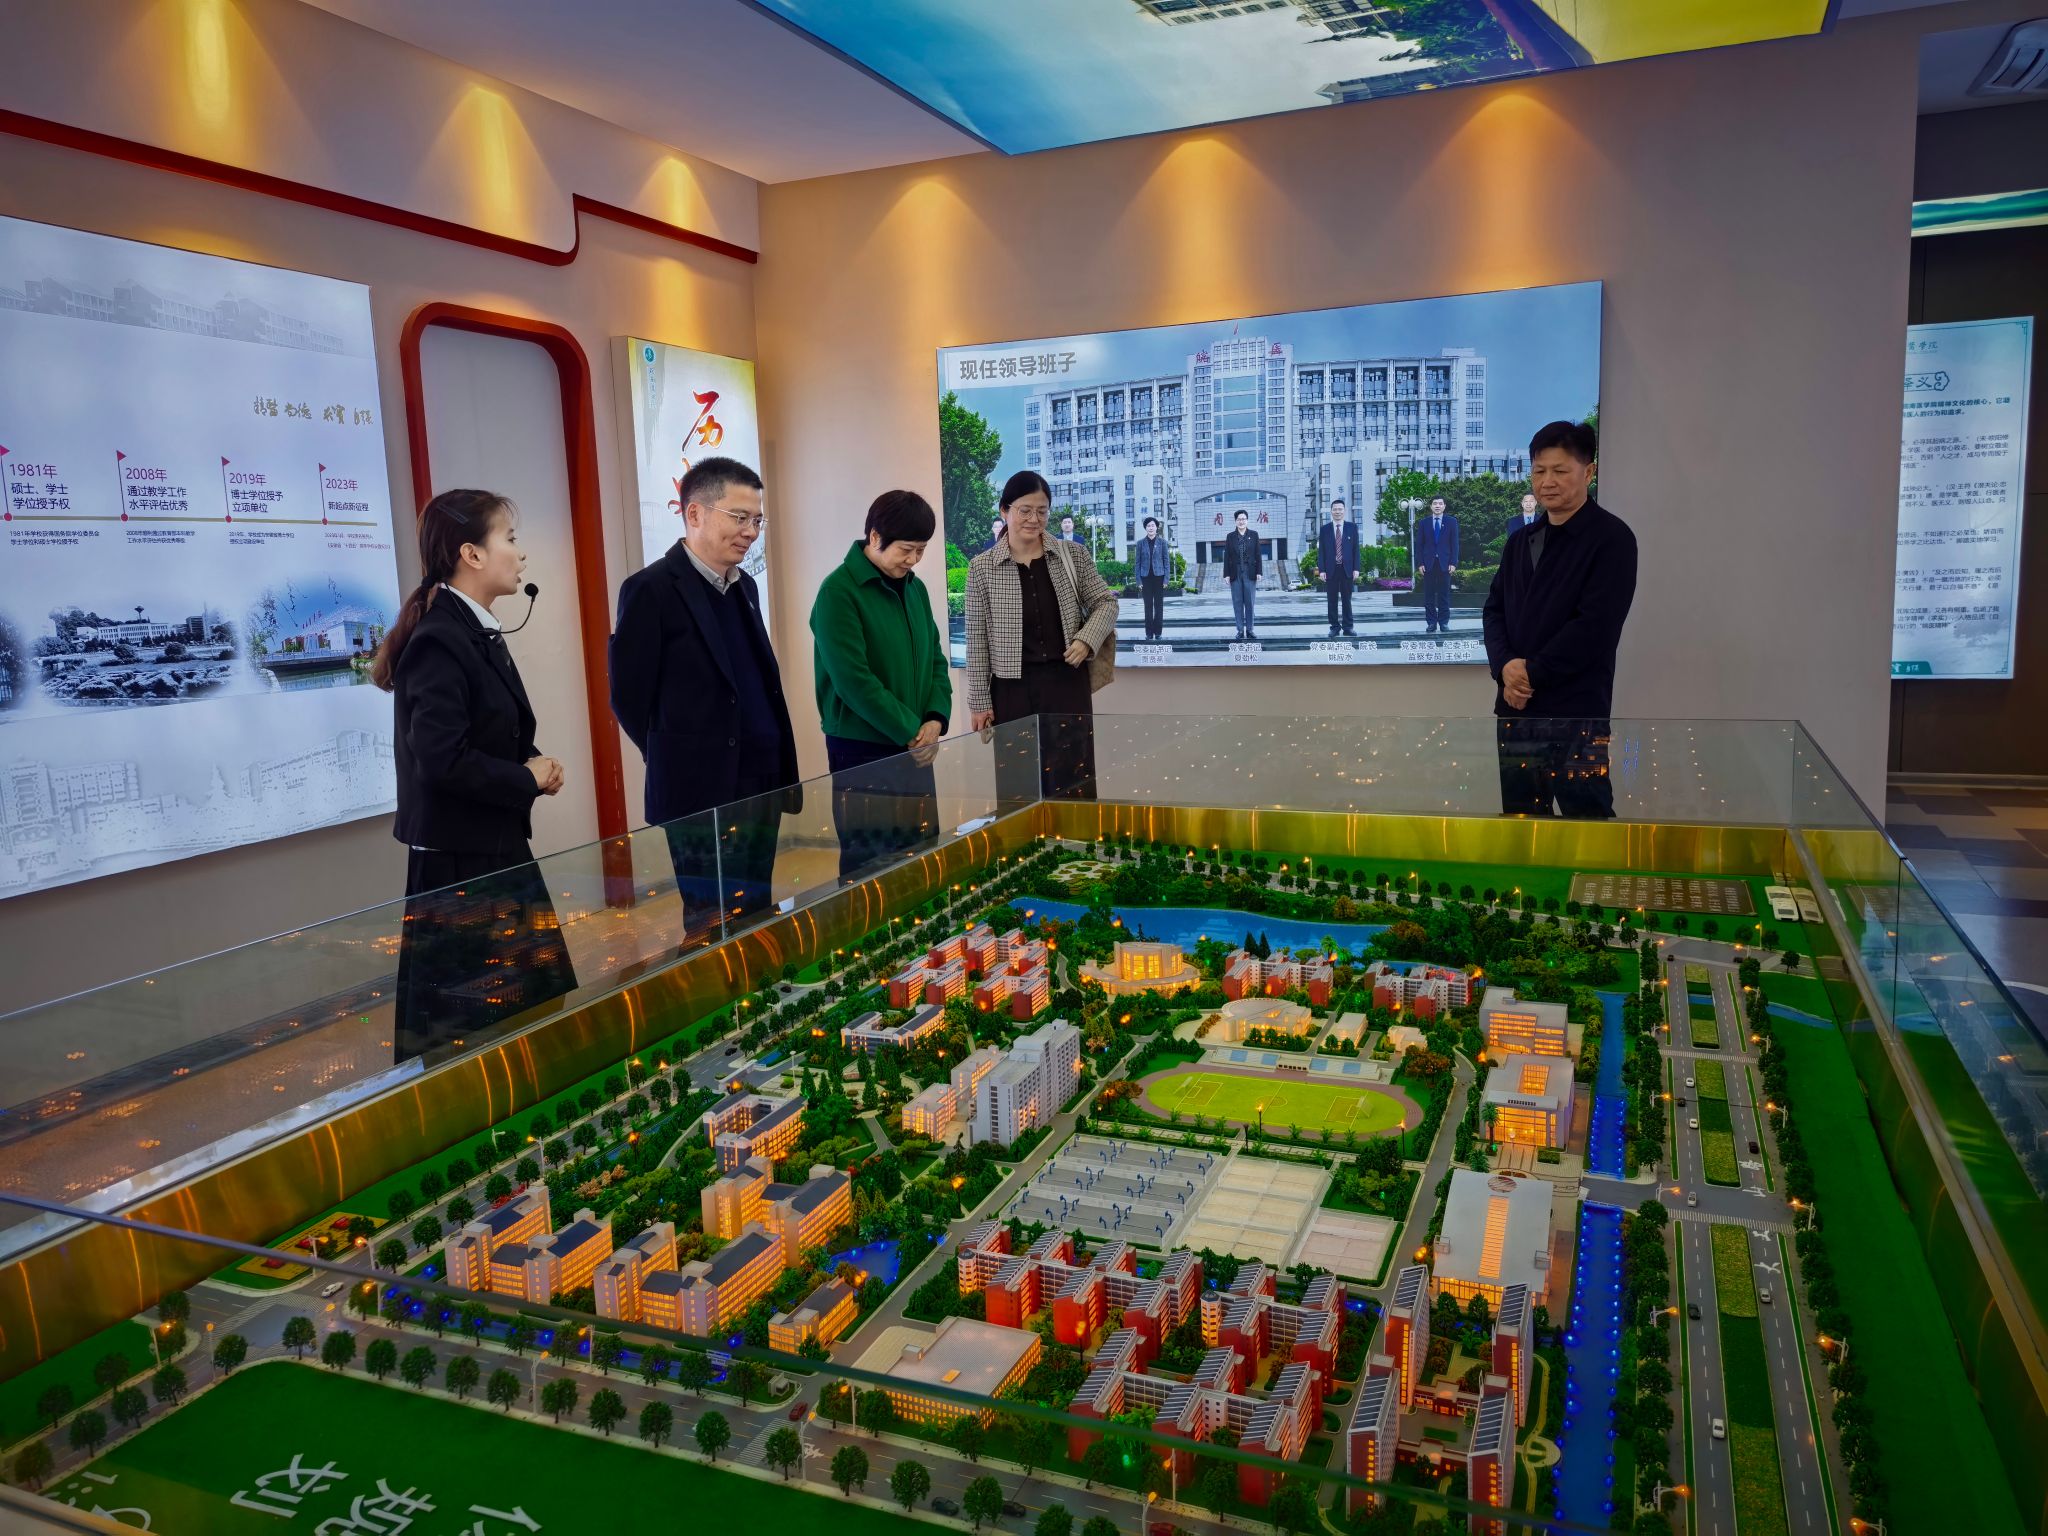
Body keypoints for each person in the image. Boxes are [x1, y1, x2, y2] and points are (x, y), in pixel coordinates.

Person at [374, 488, 574, 1064]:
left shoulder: (471, 629)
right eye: (509, 539)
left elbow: (486, 730)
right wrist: (524, 778)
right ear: (472, 554)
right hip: (460, 863)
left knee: (526, 1008)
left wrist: (533, 764)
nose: (521, 553)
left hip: (491, 847)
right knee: (470, 1029)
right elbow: (442, 759)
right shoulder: (441, 637)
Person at [610, 456, 801, 932]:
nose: (750, 531)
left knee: (756, 908)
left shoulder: (744, 586)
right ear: (694, 513)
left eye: (757, 520)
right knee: (711, 919)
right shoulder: (650, 590)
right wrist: (675, 753)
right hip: (700, 789)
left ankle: (759, 977)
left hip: (760, 780)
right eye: (739, 517)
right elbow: (628, 697)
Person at [1482, 420, 1638, 818]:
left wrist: (1529, 674)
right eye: (1539, 471)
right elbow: (1494, 610)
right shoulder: (1520, 541)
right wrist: (1505, 666)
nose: (1547, 482)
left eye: (1559, 470)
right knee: (1521, 821)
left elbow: (1595, 628)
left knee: (1586, 819)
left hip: (1577, 713)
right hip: (1515, 711)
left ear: (1589, 472)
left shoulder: (1612, 538)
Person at [810, 489, 951, 882]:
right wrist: (912, 732)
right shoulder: (838, 592)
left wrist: (935, 720)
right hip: (862, 750)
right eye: (906, 549)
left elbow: (935, 660)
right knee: (870, 863)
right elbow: (853, 681)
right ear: (875, 537)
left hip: (916, 745)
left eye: (921, 550)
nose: (913, 560)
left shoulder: (915, 588)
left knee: (920, 852)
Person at [965, 470, 1118, 802]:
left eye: (1042, 511)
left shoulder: (1072, 555)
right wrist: (979, 702)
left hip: (1067, 684)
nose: (1034, 520)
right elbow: (976, 639)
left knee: (1073, 780)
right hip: (1011, 690)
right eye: (1025, 510)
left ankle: (1076, 835)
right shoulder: (982, 568)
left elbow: (1106, 603)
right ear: (1005, 510)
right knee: (1017, 785)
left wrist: (1086, 639)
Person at [1415, 495, 1459, 635]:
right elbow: (1419, 545)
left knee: (1444, 595)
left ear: (1444, 506)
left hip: (1445, 564)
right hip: (1428, 564)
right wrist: (1420, 563)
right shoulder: (1424, 523)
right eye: (1435, 503)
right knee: (1428, 595)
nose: (1437, 506)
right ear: (1431, 506)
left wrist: (1453, 562)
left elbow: (1455, 544)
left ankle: (1444, 622)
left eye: (1440, 503)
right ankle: (1431, 623)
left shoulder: (1452, 522)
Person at [1317, 498, 1360, 638]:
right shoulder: (1324, 530)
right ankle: (1334, 627)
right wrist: (1322, 570)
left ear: (1344, 511)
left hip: (1347, 569)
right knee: (1332, 600)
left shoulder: (1352, 528)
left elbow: (1356, 550)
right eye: (1335, 509)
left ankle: (1348, 627)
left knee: (1347, 599)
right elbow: (1321, 552)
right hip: (1331, 570)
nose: (1337, 511)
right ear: (1331, 511)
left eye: (1340, 509)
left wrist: (1356, 568)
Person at [1223, 508, 1262, 642]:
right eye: (1239, 519)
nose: (1241, 521)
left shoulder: (1254, 535)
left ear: (1247, 520)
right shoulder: (1230, 537)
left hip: (1250, 572)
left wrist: (1259, 571)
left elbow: (1258, 554)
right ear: (1235, 521)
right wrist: (1226, 574)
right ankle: (1240, 630)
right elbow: (1227, 557)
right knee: (1237, 602)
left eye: (1243, 519)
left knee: (1250, 602)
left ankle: (1250, 630)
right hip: (1235, 572)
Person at [1133, 515, 1171, 640]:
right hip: (1145, 579)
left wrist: (1166, 579)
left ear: (1156, 528)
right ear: (1146, 528)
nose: (1151, 528)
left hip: (1159, 578)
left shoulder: (1162, 542)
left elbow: (1166, 562)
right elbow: (1137, 563)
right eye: (1148, 526)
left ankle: (1158, 633)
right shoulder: (1140, 543)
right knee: (1148, 606)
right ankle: (1149, 633)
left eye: (1153, 525)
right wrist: (1138, 581)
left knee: (1159, 606)